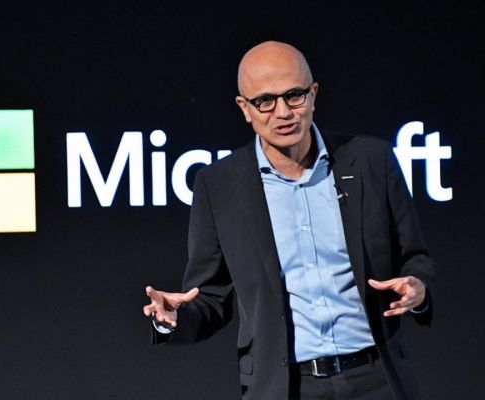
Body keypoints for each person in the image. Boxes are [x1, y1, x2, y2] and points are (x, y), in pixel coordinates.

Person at [143, 41, 434, 400]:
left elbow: (415, 258)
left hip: (376, 378)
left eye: (294, 96)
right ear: (245, 108)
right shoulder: (218, 185)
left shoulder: (371, 160)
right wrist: (172, 319)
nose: (283, 112)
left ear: (313, 94)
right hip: (286, 388)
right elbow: (211, 298)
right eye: (265, 101)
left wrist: (419, 289)